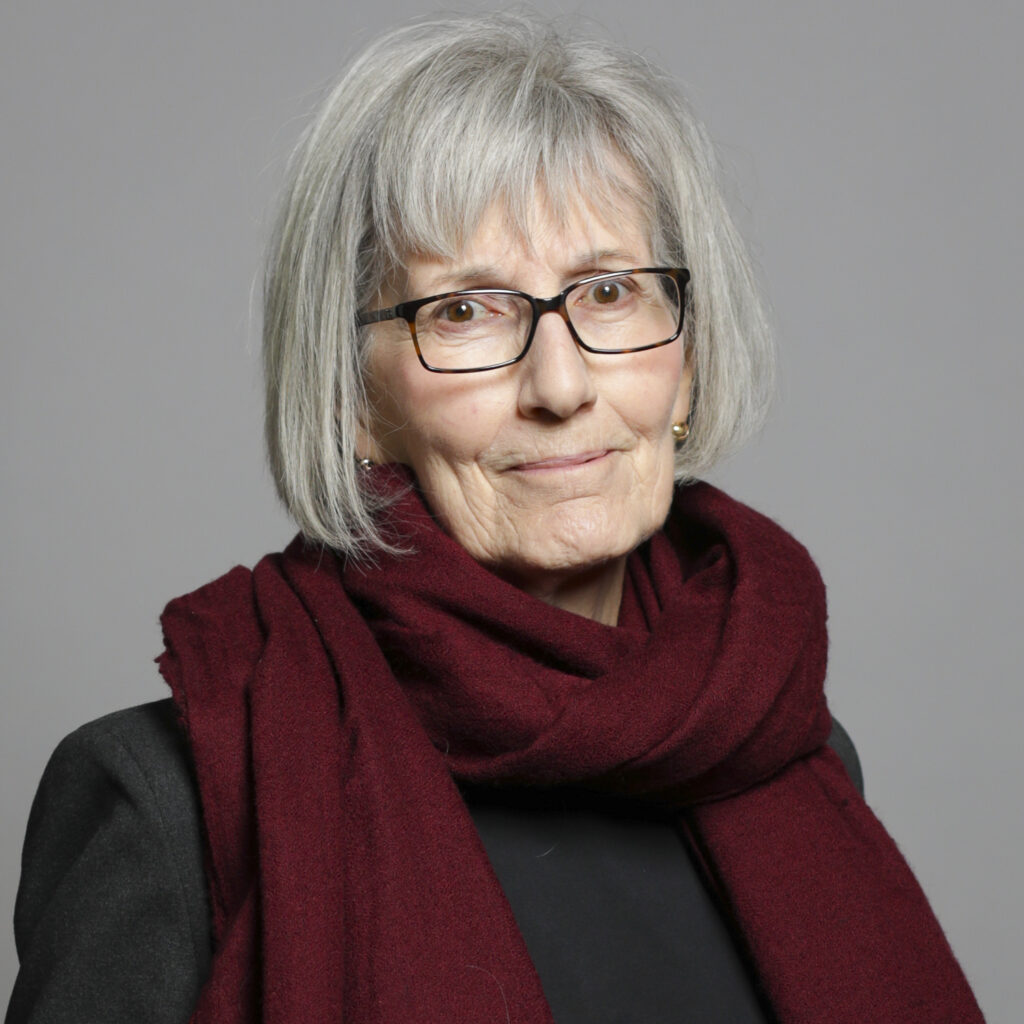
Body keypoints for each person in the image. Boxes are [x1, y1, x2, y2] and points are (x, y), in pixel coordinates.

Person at [5, 13, 983, 1024]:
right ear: (352, 397)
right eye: (463, 311)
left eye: (609, 292)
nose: (559, 385)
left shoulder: (785, 746)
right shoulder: (172, 804)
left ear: (685, 360)